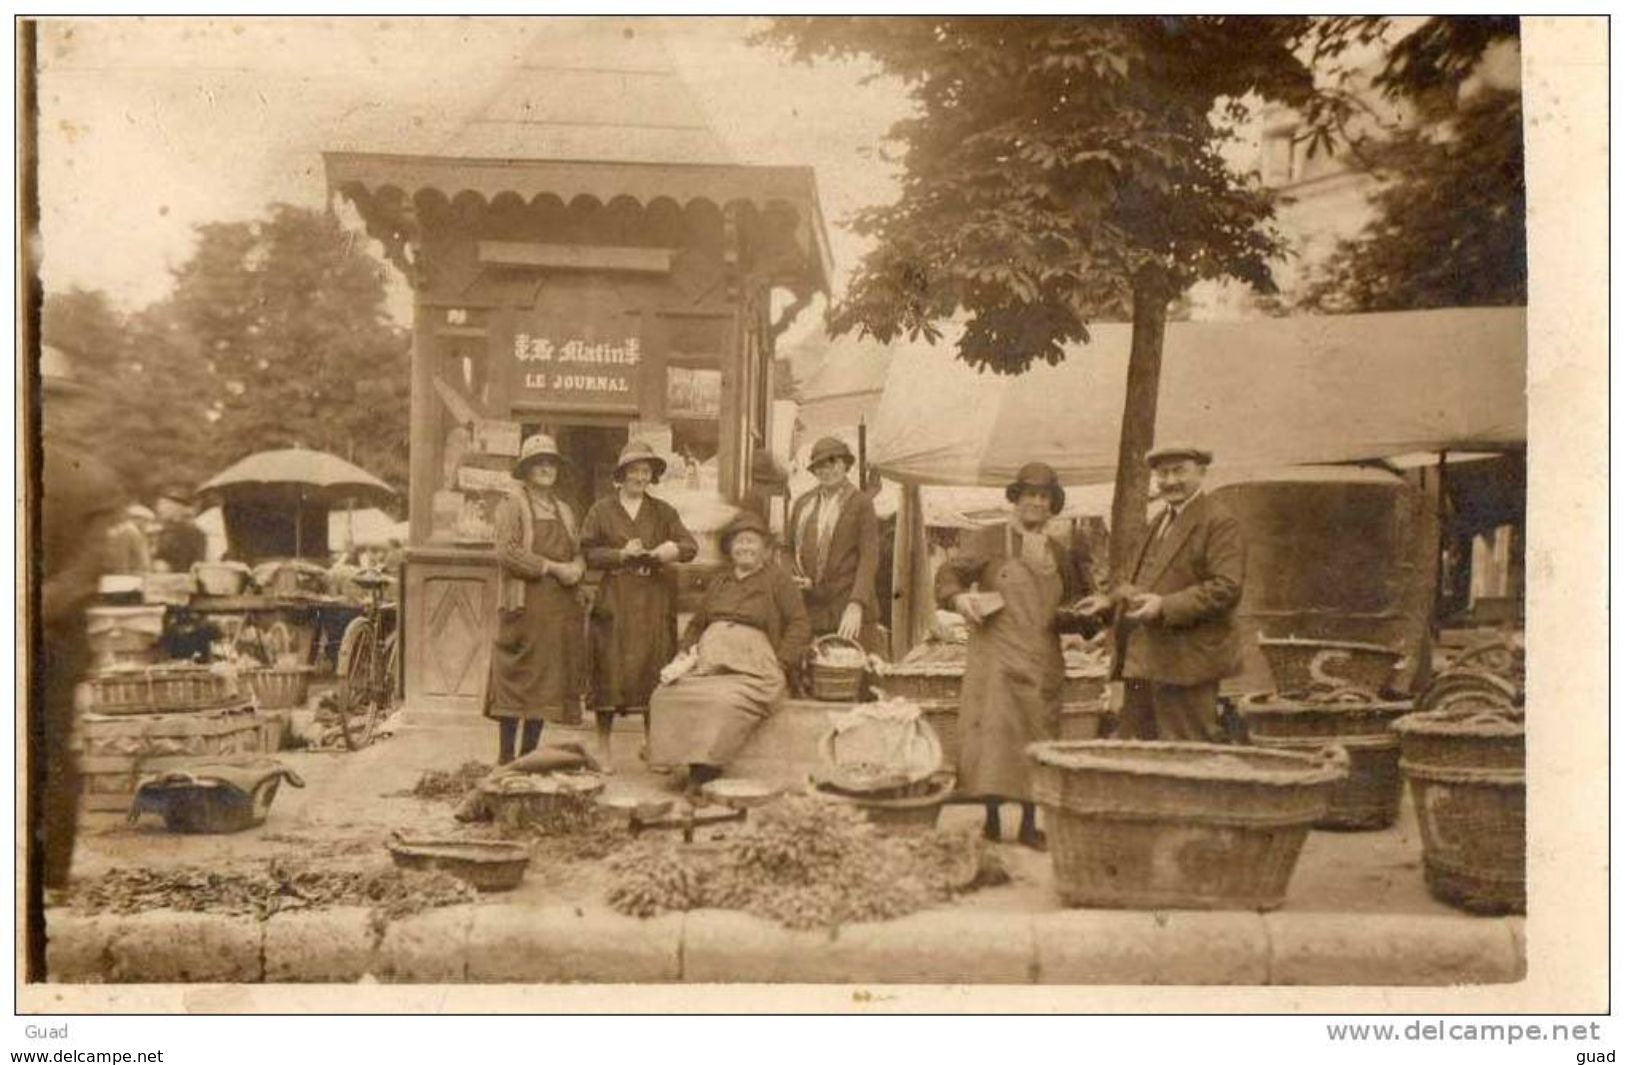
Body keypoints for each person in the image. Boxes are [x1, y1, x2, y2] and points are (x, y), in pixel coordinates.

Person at [934, 461, 1094, 849]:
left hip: (1042, 658)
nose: (1036, 503)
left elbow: (1077, 600)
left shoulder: (1061, 550)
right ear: (1016, 500)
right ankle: (990, 820)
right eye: (1028, 496)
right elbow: (947, 576)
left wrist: (1084, 616)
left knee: (1037, 737)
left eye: (1043, 497)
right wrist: (959, 598)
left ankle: (1028, 824)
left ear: (1052, 503)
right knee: (993, 739)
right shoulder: (990, 539)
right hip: (996, 657)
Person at [33, 345, 120, 977]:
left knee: (49, 750)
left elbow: (85, 572)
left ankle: (48, 875)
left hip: (54, 636)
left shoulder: (87, 477)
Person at [1075, 444, 1245, 742]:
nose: (1169, 481)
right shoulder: (1160, 520)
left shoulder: (1219, 521)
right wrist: (1110, 600)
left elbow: (1227, 586)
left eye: (1179, 471)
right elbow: (1140, 580)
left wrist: (1164, 606)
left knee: (1185, 750)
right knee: (1139, 750)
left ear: (1202, 473)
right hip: (1145, 661)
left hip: (1187, 664)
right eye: (1162, 473)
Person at [648, 510, 810, 793]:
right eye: (739, 542)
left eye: (751, 542)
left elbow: (799, 623)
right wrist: (684, 653)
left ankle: (704, 771)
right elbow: (698, 623)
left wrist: (782, 662)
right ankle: (677, 761)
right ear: (730, 549)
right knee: (666, 694)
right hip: (709, 663)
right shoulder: (720, 581)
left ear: (764, 549)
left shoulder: (778, 580)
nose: (745, 548)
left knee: (726, 701)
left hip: (753, 667)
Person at [580, 440, 698, 770]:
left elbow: (691, 546)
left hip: (652, 599)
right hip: (614, 599)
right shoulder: (601, 510)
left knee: (653, 671)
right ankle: (604, 748)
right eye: (634, 471)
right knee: (609, 670)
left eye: (646, 471)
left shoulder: (663, 511)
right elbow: (587, 551)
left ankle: (653, 745)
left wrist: (668, 550)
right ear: (622, 475)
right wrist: (620, 554)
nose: (640, 477)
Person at [484, 433, 587, 764]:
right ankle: (505, 759)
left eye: (551, 463)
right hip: (522, 608)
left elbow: (578, 551)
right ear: (526, 470)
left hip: (558, 612)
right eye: (538, 463)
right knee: (515, 683)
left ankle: (527, 759)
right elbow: (507, 553)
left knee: (546, 687)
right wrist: (554, 568)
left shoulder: (565, 510)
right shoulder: (512, 505)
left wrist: (577, 568)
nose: (546, 469)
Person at [785, 436, 880, 650]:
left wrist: (857, 604)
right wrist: (794, 575)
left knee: (848, 674)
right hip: (811, 606)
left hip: (847, 609)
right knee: (809, 673)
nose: (826, 470)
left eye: (833, 462)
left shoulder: (861, 503)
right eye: (819, 465)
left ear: (845, 464)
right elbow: (787, 549)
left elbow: (869, 558)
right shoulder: (803, 503)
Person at [152, 484, 207, 573]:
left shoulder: (192, 532)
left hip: (184, 578)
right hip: (165, 578)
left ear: (176, 509)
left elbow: (197, 562)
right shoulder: (165, 531)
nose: (160, 511)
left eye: (164, 507)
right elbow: (160, 554)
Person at [102, 502, 151, 575]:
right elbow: (123, 555)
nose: (146, 524)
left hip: (135, 572)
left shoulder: (134, 531)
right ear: (138, 519)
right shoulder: (129, 532)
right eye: (145, 520)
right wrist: (124, 574)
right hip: (131, 574)